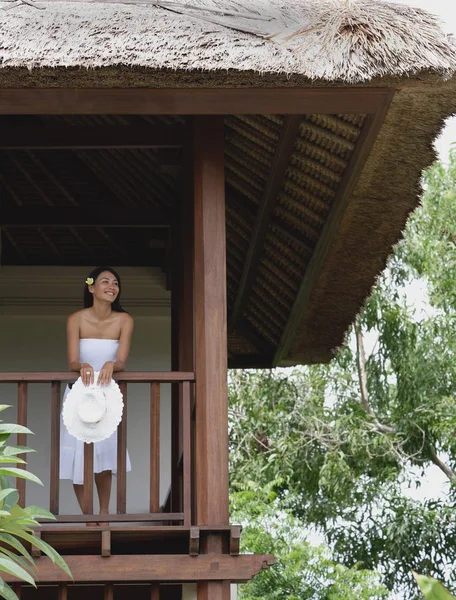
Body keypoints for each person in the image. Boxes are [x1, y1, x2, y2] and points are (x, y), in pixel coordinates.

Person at [60, 266, 134, 522]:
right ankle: (87, 517)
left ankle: (103, 515)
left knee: (104, 455)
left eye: (115, 282)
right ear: (91, 287)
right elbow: (72, 362)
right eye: (105, 281)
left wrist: (112, 364)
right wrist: (83, 366)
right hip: (79, 394)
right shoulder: (75, 319)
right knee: (78, 458)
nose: (111, 286)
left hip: (107, 396)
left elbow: (121, 361)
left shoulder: (125, 320)